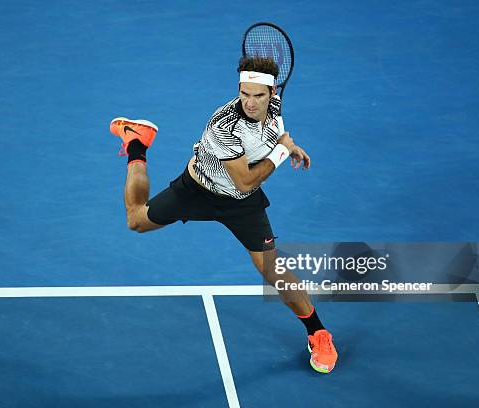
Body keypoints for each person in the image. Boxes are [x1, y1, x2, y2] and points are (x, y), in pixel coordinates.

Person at [110, 56, 338, 373]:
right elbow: (246, 180)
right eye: (244, 93)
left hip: (241, 205)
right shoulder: (223, 128)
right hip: (197, 190)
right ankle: (137, 142)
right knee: (136, 220)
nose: (250, 102)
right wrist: (284, 149)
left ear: (273, 94)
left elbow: (271, 139)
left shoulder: (274, 105)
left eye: (258, 95)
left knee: (272, 269)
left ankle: (318, 332)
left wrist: (287, 142)